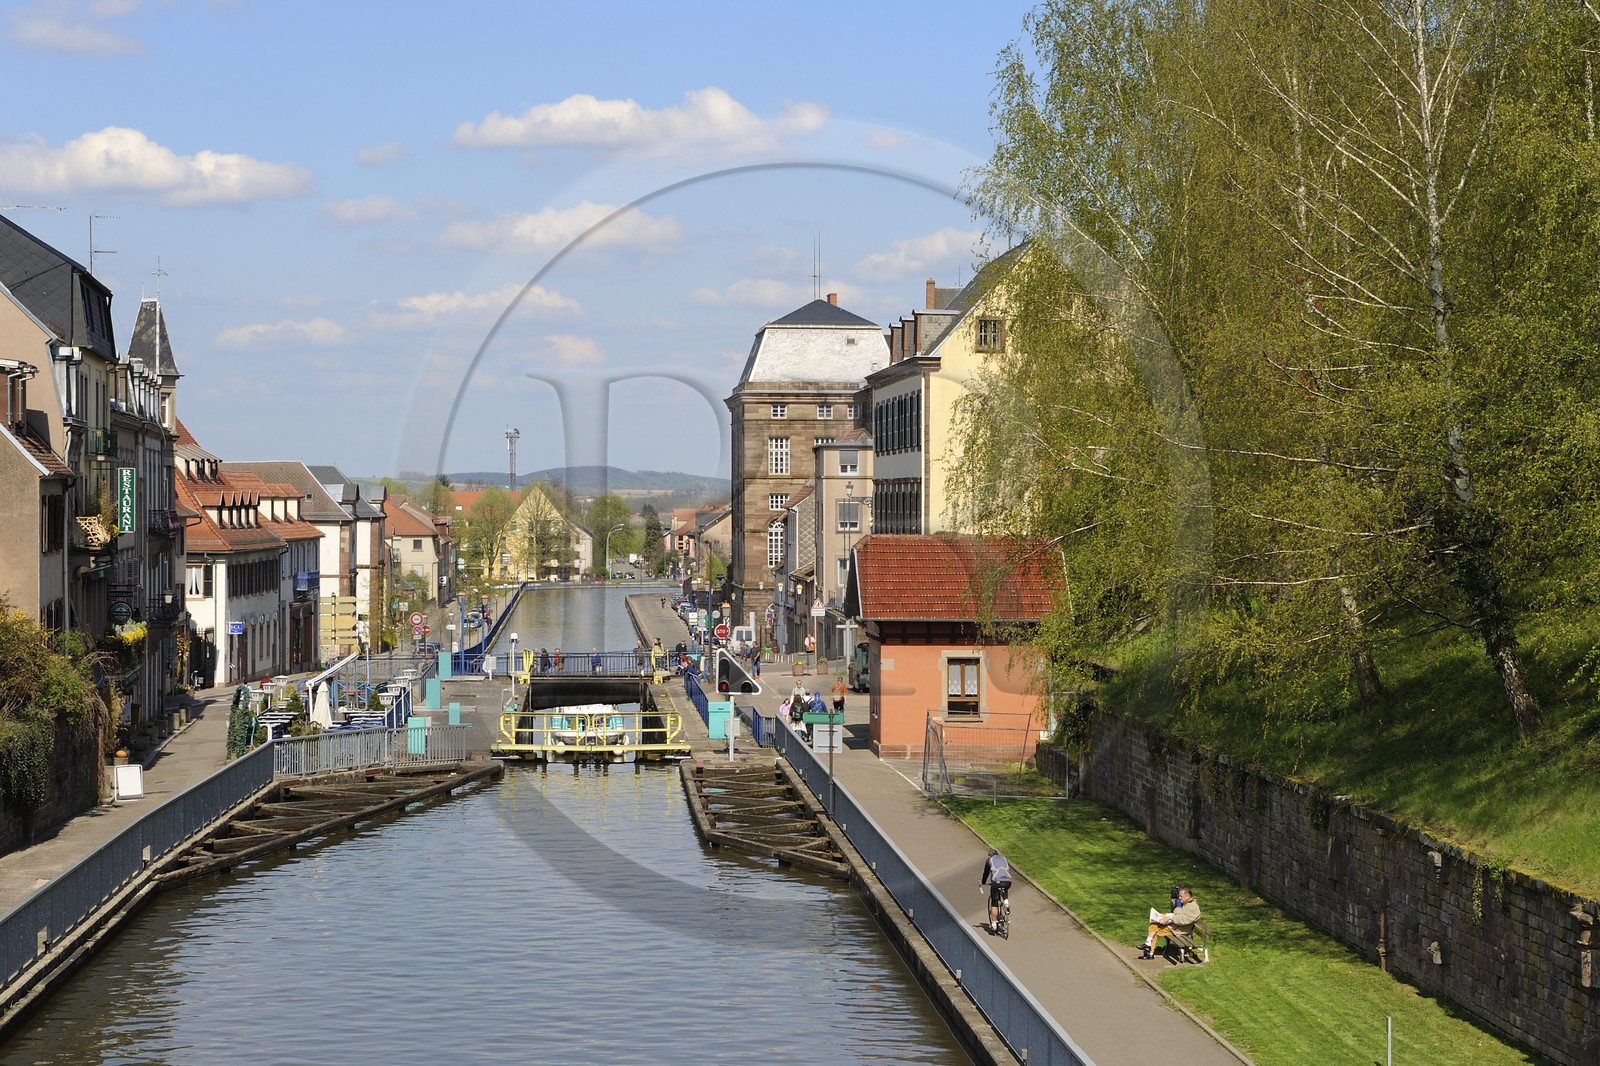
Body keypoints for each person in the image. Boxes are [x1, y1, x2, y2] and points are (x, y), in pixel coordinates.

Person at [1140, 885, 1201, 959]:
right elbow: (1176, 911)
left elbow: (1184, 920)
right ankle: (1148, 945)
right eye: (1179, 896)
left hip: (1179, 930)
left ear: (1187, 896)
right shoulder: (1185, 904)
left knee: (1155, 931)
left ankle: (1149, 952)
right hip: (1175, 926)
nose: (1179, 898)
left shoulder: (1193, 907)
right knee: (1154, 924)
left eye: (1181, 896)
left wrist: (1170, 918)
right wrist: (1166, 915)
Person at [981, 848, 1012, 933]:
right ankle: (1006, 902)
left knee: (994, 904)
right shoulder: (1004, 858)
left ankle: (994, 924)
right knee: (1005, 889)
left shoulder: (989, 860)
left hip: (996, 882)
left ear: (990, 855)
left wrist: (983, 882)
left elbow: (986, 873)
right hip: (1008, 882)